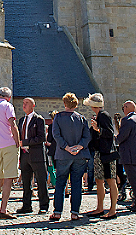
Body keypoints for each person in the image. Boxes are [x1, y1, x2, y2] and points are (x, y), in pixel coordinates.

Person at [50, 92, 91, 221]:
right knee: (77, 183)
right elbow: (87, 136)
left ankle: (57, 212)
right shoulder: (81, 118)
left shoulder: (58, 117)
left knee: (61, 183)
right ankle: (74, 212)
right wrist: (79, 146)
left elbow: (56, 135)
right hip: (79, 155)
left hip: (63, 154)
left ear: (64, 103)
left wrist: (66, 147)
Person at [0, 87, 21, 220]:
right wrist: (17, 141)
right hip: (8, 143)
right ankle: (3, 209)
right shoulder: (8, 106)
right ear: (9, 97)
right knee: (8, 177)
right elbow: (12, 124)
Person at [84, 93, 119, 220]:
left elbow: (109, 133)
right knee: (99, 180)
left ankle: (113, 210)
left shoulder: (104, 115)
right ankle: (100, 207)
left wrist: (98, 129)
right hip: (100, 152)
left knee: (110, 180)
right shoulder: (98, 116)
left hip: (107, 153)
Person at [17, 97, 49, 215]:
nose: (24, 105)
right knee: (26, 182)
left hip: (37, 155)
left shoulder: (39, 120)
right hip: (25, 155)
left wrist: (25, 142)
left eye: (27, 103)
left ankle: (44, 205)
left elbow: (41, 138)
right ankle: (26, 205)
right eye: (23, 103)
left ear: (33, 106)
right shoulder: (21, 120)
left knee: (41, 181)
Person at [45, 110, 57, 186]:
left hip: (53, 150)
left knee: (55, 169)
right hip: (63, 149)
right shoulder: (62, 126)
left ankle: (56, 185)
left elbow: (49, 139)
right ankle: (66, 189)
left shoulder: (51, 127)